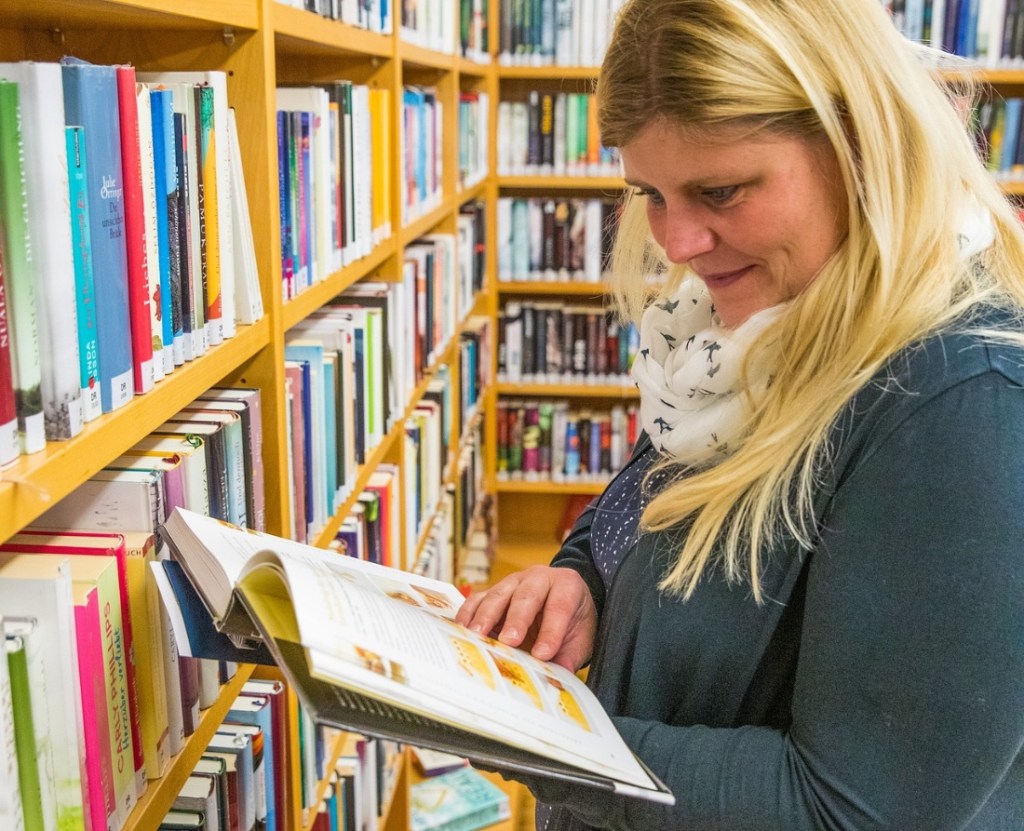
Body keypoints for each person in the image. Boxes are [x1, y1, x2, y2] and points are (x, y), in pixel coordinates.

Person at [455, 0, 1024, 828]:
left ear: (858, 141)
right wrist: (581, 577)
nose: (677, 241)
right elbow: (659, 493)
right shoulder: (763, 316)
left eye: (720, 190)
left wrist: (539, 739)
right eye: (648, 191)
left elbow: (853, 811)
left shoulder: (961, 399)